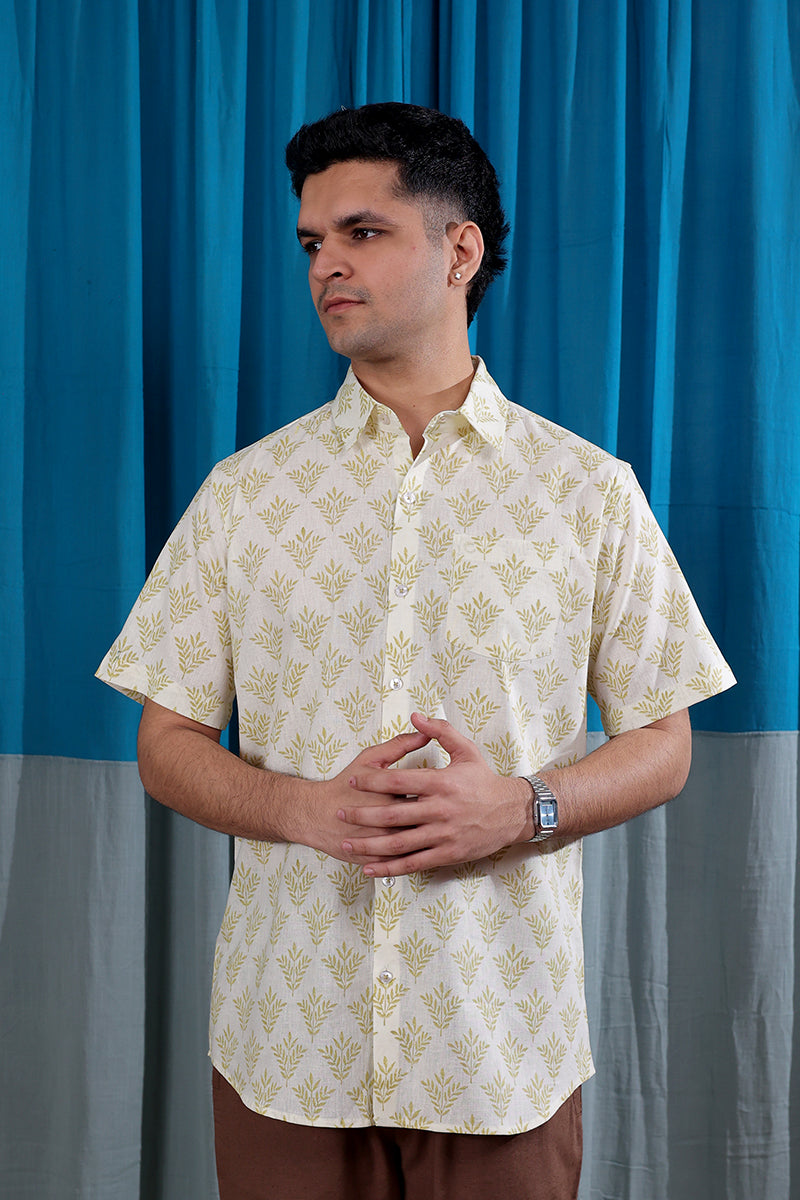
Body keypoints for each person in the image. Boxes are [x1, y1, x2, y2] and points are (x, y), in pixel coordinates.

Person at [97, 103, 735, 1199]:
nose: (326, 265)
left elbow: (664, 743)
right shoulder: (245, 495)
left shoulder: (587, 494)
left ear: (459, 251)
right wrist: (301, 810)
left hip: (497, 1049)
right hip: (287, 1046)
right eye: (312, 242)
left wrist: (523, 808)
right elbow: (167, 743)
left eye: (362, 232)